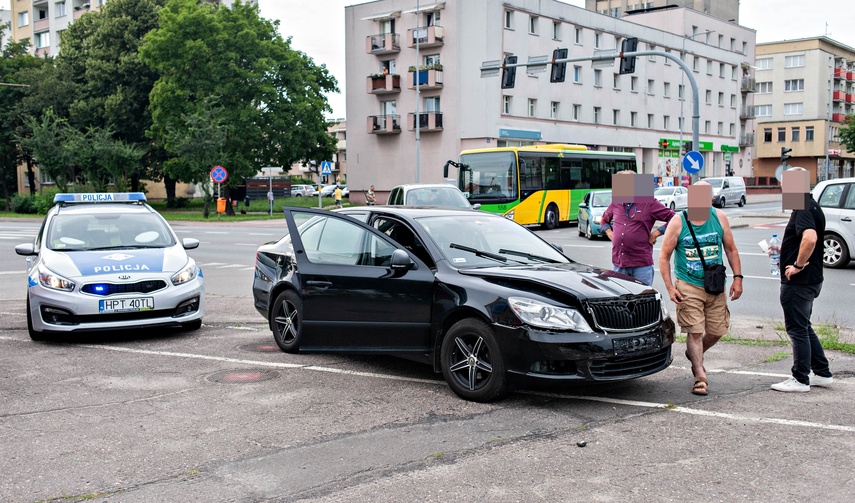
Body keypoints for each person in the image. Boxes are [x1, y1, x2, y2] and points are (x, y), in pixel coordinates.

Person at [659, 181, 743, 396]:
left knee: (716, 331)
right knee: (694, 332)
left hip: (715, 285)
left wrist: (738, 279)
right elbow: (664, 257)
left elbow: (731, 249)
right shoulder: (678, 222)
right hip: (688, 285)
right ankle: (700, 375)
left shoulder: (719, 217)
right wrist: (670, 288)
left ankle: (694, 354)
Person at [771, 167, 833, 392]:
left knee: (797, 329)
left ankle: (800, 379)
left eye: (784, 184)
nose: (781, 188)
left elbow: (810, 238)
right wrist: (782, 249)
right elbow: (804, 239)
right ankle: (823, 373)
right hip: (812, 279)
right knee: (805, 327)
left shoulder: (802, 207)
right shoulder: (813, 204)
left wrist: (797, 265)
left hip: (800, 282)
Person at [600, 171, 676, 286]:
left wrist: (656, 233)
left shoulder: (648, 202)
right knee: (622, 300)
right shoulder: (616, 202)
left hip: (641, 265)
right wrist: (610, 233)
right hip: (619, 264)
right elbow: (604, 220)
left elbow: (674, 218)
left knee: (643, 300)